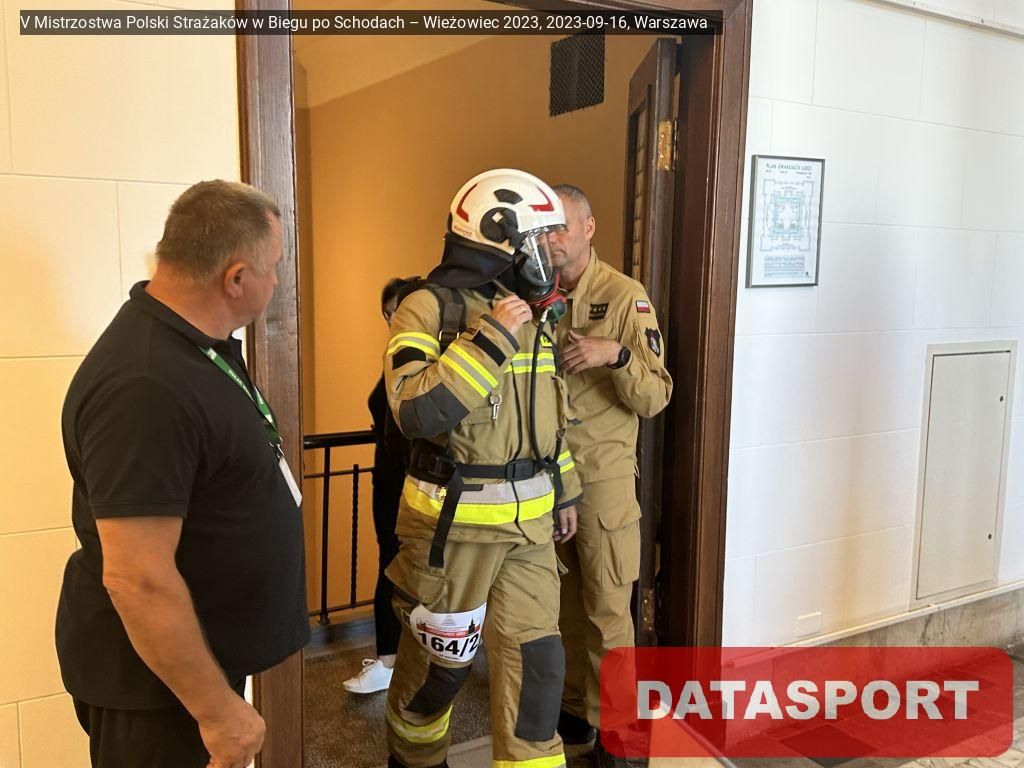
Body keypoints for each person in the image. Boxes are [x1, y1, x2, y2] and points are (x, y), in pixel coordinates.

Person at [56, 180, 310, 768]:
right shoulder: (146, 384)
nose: (278, 282)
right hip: (157, 692)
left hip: (193, 667)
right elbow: (137, 579)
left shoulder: (195, 347)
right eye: (274, 267)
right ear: (236, 277)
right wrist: (217, 712)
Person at [382, 168, 582, 768]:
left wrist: (565, 489)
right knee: (437, 676)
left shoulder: (535, 313)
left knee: (538, 676)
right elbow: (414, 410)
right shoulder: (428, 307)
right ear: (498, 237)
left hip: (531, 532)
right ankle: (415, 762)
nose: (552, 250)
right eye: (540, 237)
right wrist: (491, 338)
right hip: (453, 534)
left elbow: (546, 417)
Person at [547, 185, 673, 768]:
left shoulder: (625, 297)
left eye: (562, 227)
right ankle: (578, 712)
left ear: (589, 228)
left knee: (606, 611)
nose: (552, 239)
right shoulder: (538, 297)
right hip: (550, 478)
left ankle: (619, 735)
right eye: (545, 229)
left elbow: (655, 396)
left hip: (601, 481)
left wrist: (616, 355)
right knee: (563, 609)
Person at [344, 276, 420, 694]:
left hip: (411, 481)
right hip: (389, 477)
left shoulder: (420, 354)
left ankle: (396, 662)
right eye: (387, 314)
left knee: (404, 566)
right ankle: (390, 660)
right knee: (390, 563)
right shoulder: (394, 355)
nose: (392, 320)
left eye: (398, 311)